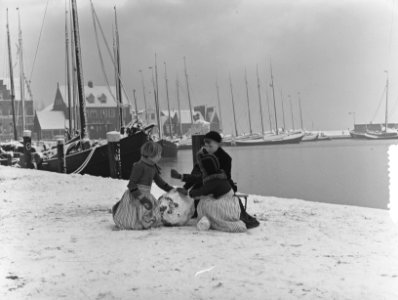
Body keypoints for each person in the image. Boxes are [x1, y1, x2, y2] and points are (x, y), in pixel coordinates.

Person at [171, 131, 259, 229]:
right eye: (205, 144)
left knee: (204, 195)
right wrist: (185, 186)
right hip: (206, 183)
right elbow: (196, 173)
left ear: (218, 144)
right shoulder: (203, 156)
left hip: (221, 185)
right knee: (197, 194)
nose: (207, 147)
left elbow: (223, 177)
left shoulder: (226, 158)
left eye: (210, 144)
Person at [112, 141, 174, 230]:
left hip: (147, 194)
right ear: (150, 155)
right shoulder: (139, 166)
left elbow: (160, 182)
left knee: (151, 211)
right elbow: (131, 185)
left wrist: (172, 190)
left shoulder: (153, 167)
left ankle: (145, 223)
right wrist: (142, 198)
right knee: (135, 213)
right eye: (158, 155)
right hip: (136, 195)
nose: (160, 157)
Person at [189, 150, 247, 232]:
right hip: (230, 201)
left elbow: (202, 191)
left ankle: (208, 219)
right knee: (205, 200)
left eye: (203, 168)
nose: (202, 170)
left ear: (207, 169)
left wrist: (190, 193)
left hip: (226, 206)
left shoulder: (214, 181)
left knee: (204, 203)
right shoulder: (219, 175)